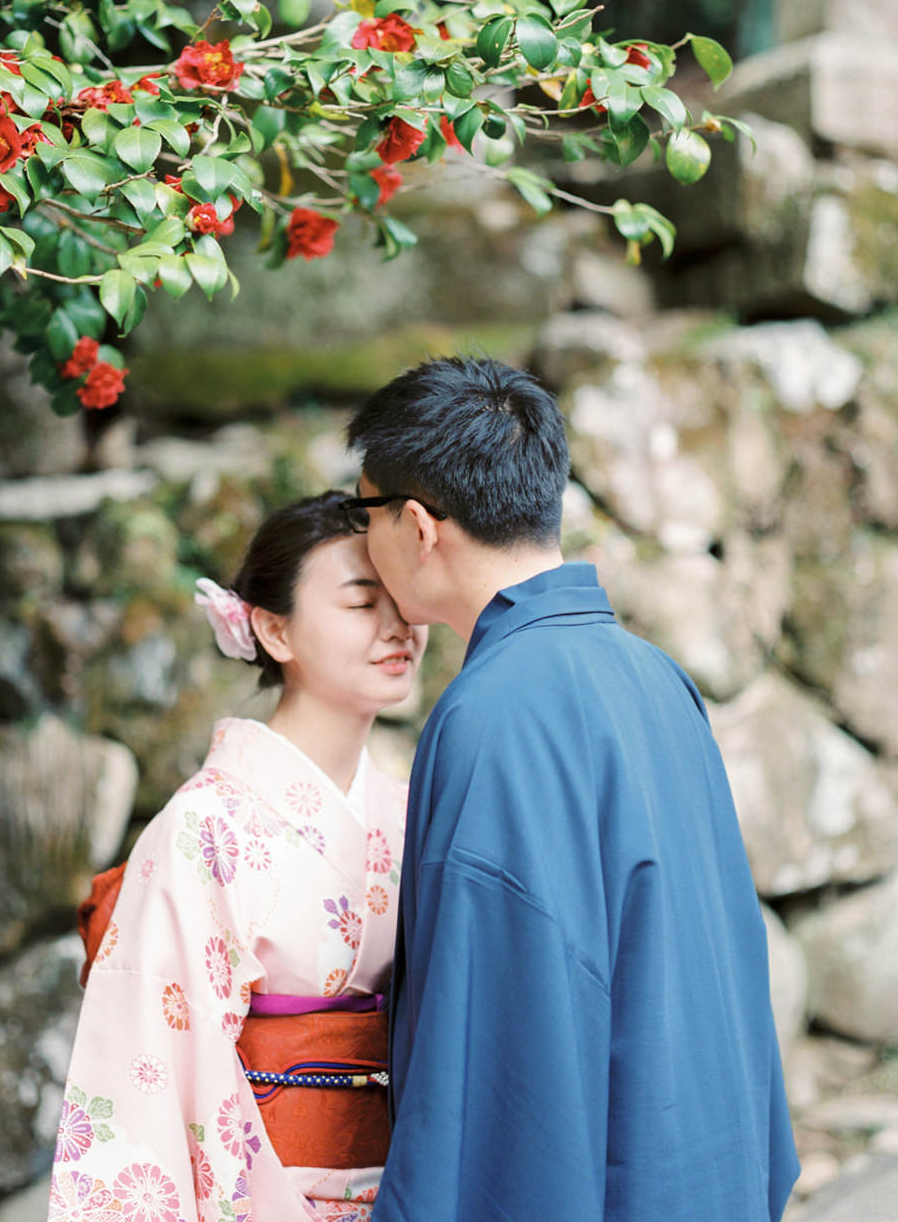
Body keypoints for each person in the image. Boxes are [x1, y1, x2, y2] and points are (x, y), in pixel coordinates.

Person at [341, 357, 800, 1222]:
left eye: (362, 514)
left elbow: (498, 1049)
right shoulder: (653, 676)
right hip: (699, 1167)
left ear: (416, 525)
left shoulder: (494, 714)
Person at [47, 491, 427, 1222]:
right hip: (261, 1194)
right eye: (360, 602)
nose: (398, 628)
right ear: (273, 630)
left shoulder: (412, 812)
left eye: (402, 601)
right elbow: (150, 1067)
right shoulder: (205, 827)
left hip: (406, 1190)